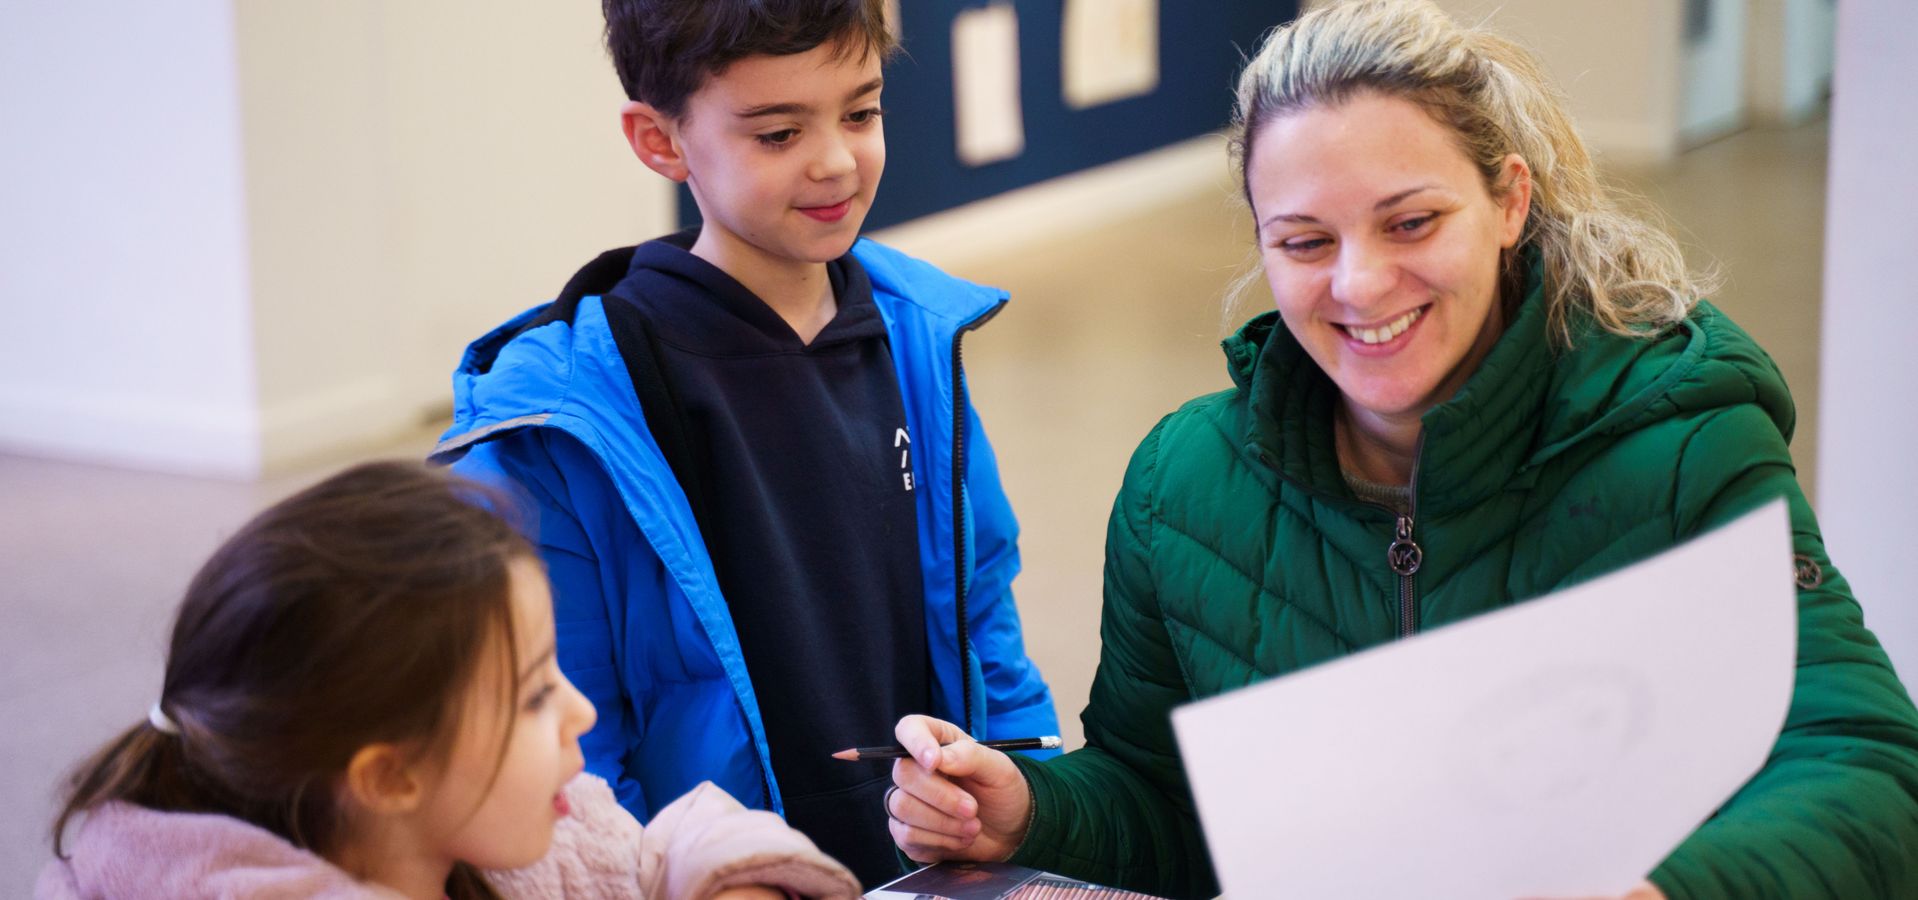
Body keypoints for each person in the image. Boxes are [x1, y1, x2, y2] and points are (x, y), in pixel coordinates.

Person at [881, 2, 1918, 898]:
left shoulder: (1679, 440)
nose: (1360, 285)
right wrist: (1027, 812)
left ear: (1509, 201)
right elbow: (1165, 802)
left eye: (1410, 222)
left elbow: (1865, 770)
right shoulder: (1178, 489)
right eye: (1304, 242)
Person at [429, 0, 1057, 887]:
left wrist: (1028, 802)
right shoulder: (560, 426)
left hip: (922, 870)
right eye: (776, 133)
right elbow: (568, 756)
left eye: (861, 112)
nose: (836, 159)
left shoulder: (921, 337)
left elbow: (985, 623)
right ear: (661, 141)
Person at [38, 461, 859, 899]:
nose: (579, 712)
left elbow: (659, 852)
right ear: (391, 775)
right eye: (535, 696)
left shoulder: (516, 834)